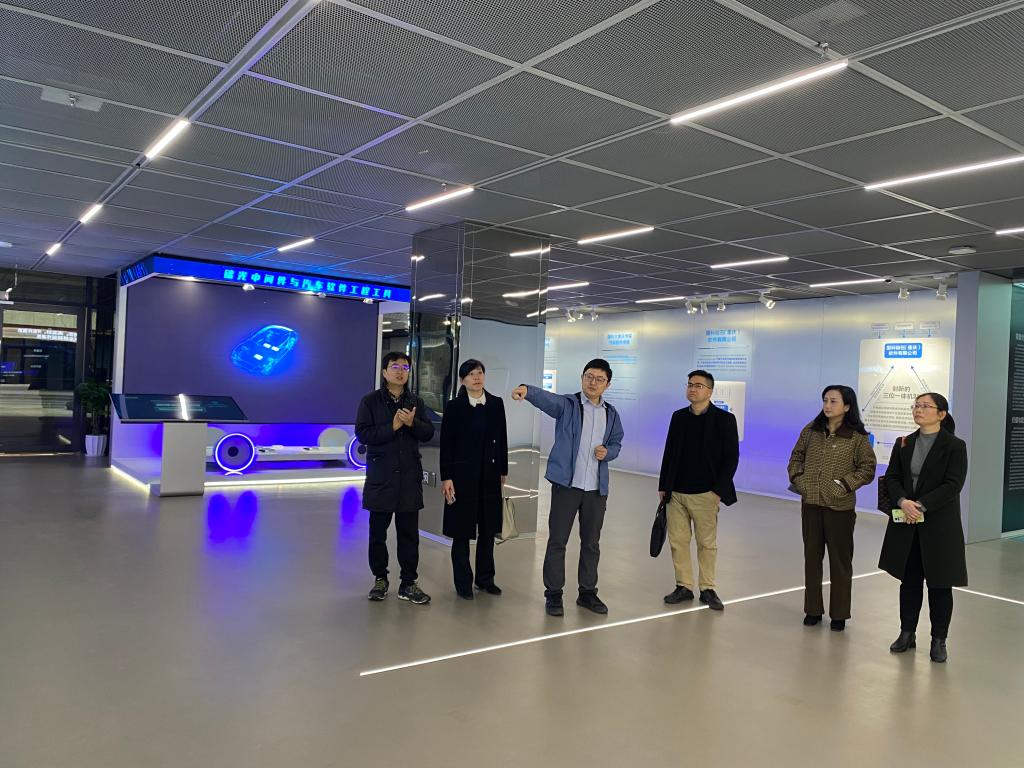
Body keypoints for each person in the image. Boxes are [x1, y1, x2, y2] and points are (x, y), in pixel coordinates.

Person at [511, 359, 624, 617]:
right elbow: (547, 400)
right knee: (558, 541)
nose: (593, 382)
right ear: (582, 378)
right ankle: (554, 594)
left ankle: (587, 593)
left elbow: (617, 442)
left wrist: (608, 452)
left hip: (595, 489)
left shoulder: (611, 413)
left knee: (591, 543)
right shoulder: (568, 405)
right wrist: (527, 390)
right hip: (567, 486)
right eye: (589, 377)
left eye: (599, 379)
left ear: (607, 384)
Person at [879, 393, 968, 663]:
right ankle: (907, 633)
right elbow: (892, 476)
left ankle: (939, 640)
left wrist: (920, 505)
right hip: (907, 523)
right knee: (909, 581)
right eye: (916, 406)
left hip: (939, 525)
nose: (919, 410)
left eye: (926, 406)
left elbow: (953, 484)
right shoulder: (903, 443)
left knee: (940, 585)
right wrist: (902, 501)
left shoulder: (955, 446)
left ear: (941, 414)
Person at [787, 386, 876, 631]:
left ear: (847, 406)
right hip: (811, 505)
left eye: (833, 401)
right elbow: (796, 457)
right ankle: (813, 610)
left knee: (840, 562)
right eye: (825, 400)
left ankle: (839, 614)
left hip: (840, 509)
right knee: (811, 559)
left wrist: (843, 486)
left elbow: (867, 468)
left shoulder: (857, 437)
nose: (827, 405)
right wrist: (800, 480)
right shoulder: (811, 430)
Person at [356, 351, 435, 605]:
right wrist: (392, 427)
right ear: (384, 372)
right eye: (395, 367)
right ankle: (380, 578)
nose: (401, 372)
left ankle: (408, 583)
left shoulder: (416, 401)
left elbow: (428, 433)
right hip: (382, 478)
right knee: (378, 533)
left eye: (405, 368)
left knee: (409, 534)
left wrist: (412, 423)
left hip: (409, 479)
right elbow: (363, 434)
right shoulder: (370, 401)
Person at [657, 370, 739, 612]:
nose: (692, 389)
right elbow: (669, 452)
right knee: (678, 541)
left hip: (706, 493)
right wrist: (664, 485)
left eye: (698, 385)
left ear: (710, 391)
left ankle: (707, 588)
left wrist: (717, 491)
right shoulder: (678, 417)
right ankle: (683, 586)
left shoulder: (725, 420)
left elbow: (731, 458)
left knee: (706, 544)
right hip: (676, 492)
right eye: (690, 384)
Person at [440, 359, 509, 599]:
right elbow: (446, 444)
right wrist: (446, 477)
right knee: (461, 531)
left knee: (488, 530)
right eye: (471, 374)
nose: (476, 377)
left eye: (479, 373)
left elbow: (502, 439)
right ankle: (463, 583)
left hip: (489, 476)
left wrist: (502, 469)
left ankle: (485, 579)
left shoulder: (496, 403)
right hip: (462, 478)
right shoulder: (454, 407)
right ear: (462, 380)